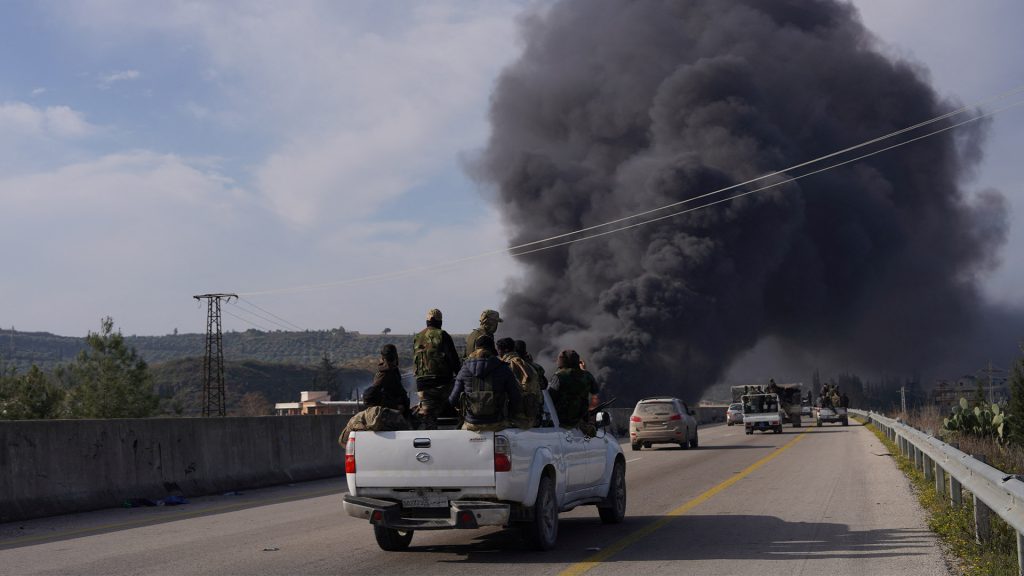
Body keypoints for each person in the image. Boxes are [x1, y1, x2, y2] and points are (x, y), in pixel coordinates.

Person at [449, 335, 521, 432]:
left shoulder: (464, 369)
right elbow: (515, 398)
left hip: (471, 424)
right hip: (497, 423)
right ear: (492, 349)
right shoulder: (503, 368)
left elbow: (452, 400)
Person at [412, 308, 462, 429]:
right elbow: (454, 360)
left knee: (429, 416)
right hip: (442, 385)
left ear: (427, 321)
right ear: (440, 322)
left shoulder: (417, 337)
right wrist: (461, 377)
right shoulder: (442, 335)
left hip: (421, 386)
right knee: (461, 398)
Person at [496, 337, 542, 428]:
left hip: (514, 418)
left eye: (499, 350)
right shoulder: (528, 364)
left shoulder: (506, 365)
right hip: (531, 416)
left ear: (505, 350)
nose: (498, 353)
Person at [548, 349, 594, 431]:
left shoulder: (559, 376)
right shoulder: (584, 377)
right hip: (573, 422)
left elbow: (550, 399)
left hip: (561, 422)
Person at [362, 344, 411, 419]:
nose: (393, 360)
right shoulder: (384, 374)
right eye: (390, 358)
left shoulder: (393, 371)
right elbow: (370, 397)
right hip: (391, 415)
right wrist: (395, 406)